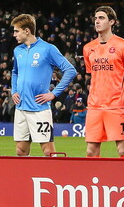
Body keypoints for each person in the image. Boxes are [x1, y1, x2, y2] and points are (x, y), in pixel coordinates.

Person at [11, 13, 77, 157]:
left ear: (27, 31)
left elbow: (70, 70)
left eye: (16, 31)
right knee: (20, 151)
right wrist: (14, 91)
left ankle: (54, 178)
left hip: (39, 108)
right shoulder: (17, 50)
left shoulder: (48, 49)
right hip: (21, 108)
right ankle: (23, 179)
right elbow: (15, 72)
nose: (14, 34)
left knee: (48, 152)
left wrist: (53, 94)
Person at [82, 6, 124, 158]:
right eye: (96, 18)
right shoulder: (88, 48)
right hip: (94, 106)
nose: (97, 21)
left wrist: (120, 97)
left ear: (112, 21)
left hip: (116, 106)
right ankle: (94, 181)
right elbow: (92, 75)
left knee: (122, 150)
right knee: (91, 151)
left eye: (101, 18)